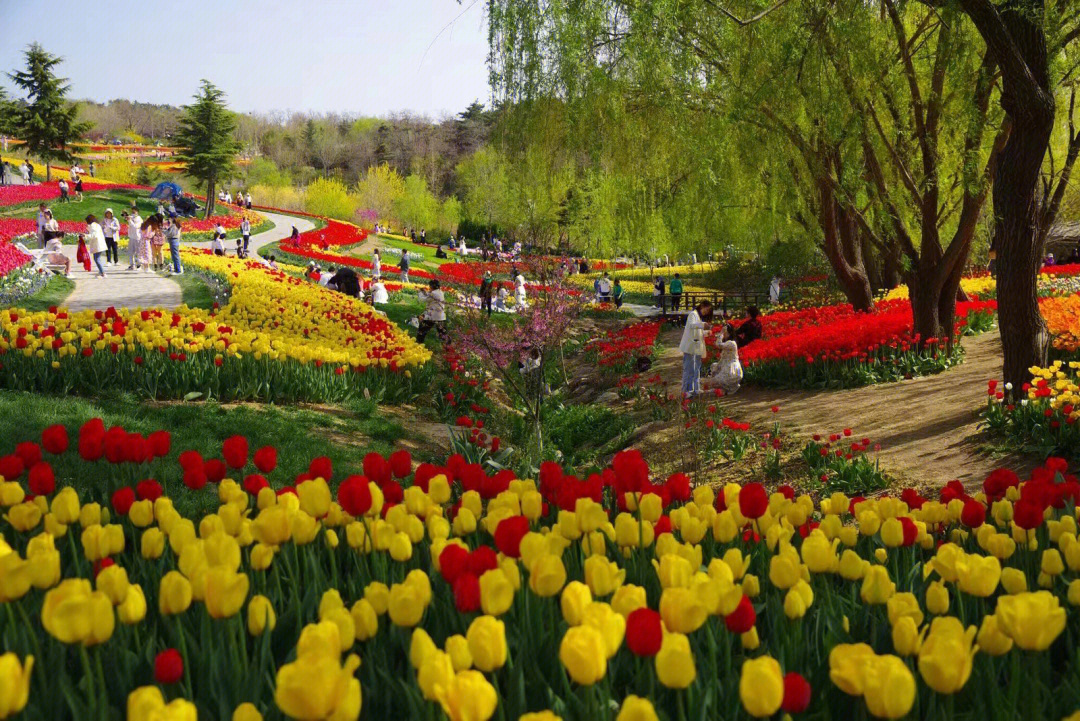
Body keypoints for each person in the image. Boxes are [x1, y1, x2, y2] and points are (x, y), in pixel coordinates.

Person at [678, 300, 712, 398]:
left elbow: (697, 332)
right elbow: (692, 326)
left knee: (697, 368)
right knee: (689, 369)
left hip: (696, 346)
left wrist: (706, 332)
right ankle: (686, 390)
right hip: (690, 346)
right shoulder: (693, 314)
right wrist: (703, 325)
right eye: (707, 309)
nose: (707, 312)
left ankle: (696, 388)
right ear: (702, 306)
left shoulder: (698, 317)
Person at [709, 322, 743, 395]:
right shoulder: (728, 343)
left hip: (732, 370)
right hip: (726, 367)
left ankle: (730, 388)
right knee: (713, 370)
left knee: (713, 383)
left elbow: (718, 345)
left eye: (725, 333)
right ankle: (724, 391)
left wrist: (720, 334)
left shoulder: (732, 343)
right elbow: (722, 359)